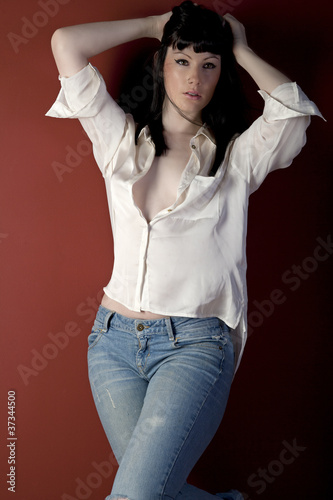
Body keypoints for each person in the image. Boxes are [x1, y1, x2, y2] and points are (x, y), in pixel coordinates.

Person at [46, 2, 323, 499]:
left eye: (209, 64)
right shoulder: (119, 140)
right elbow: (66, 44)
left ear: (222, 74)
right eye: (181, 58)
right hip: (111, 344)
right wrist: (157, 26)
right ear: (162, 62)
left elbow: (292, 110)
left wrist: (240, 49)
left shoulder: (236, 158)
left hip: (195, 345)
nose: (194, 76)